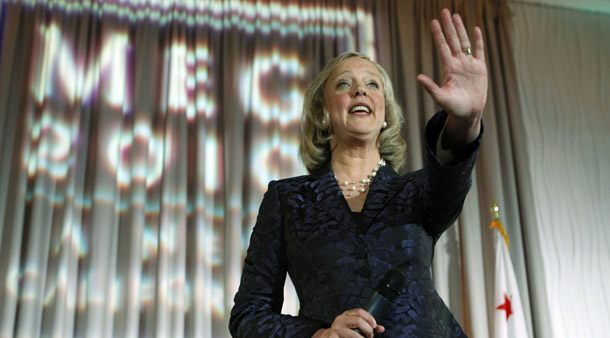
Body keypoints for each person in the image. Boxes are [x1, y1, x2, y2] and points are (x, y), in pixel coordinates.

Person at [229, 8, 487, 338]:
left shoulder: (417, 192)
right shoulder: (287, 199)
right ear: (323, 113)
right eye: (344, 84)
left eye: (371, 84)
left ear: (384, 116)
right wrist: (319, 335)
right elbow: (248, 315)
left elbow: (451, 171)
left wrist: (465, 121)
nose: (360, 90)